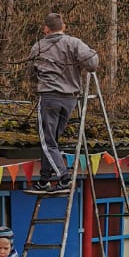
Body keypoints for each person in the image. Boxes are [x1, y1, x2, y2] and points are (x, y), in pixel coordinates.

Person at [28, 13, 99, 192]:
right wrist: (92, 54)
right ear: (63, 27)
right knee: (53, 141)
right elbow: (92, 64)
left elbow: (31, 73)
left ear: (45, 28)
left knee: (47, 142)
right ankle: (44, 179)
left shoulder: (39, 47)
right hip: (70, 99)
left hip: (49, 97)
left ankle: (64, 178)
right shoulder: (74, 43)